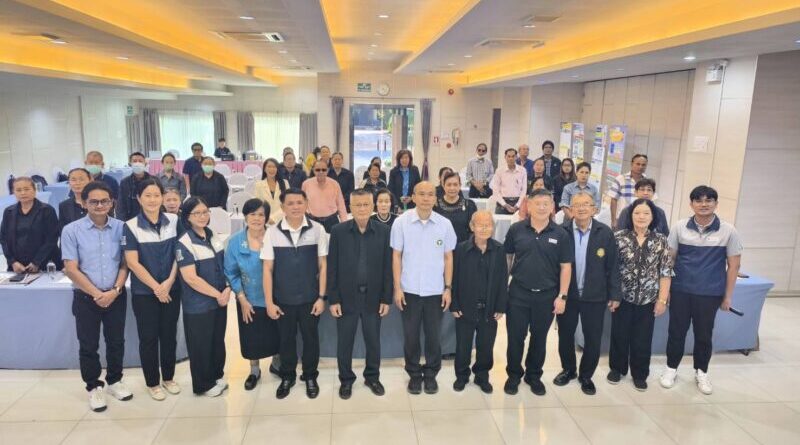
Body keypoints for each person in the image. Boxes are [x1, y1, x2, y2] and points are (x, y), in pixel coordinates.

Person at [660, 186, 742, 395]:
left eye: (708, 200)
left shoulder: (728, 231)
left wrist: (728, 296)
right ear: (691, 204)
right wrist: (666, 291)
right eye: (698, 200)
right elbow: (669, 260)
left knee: (704, 335)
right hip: (681, 291)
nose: (704, 204)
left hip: (710, 293)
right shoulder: (679, 227)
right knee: (676, 332)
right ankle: (671, 369)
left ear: (716, 203)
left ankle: (702, 372)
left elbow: (734, 266)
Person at [61, 181, 132, 412]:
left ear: (112, 203)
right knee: (88, 344)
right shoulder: (71, 230)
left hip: (116, 295)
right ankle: (93, 387)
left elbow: (125, 263)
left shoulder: (122, 228)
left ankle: (115, 380)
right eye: (94, 201)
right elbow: (71, 269)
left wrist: (115, 291)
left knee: (116, 341)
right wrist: (97, 294)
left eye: (104, 201)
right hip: (86, 298)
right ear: (84, 203)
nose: (99, 205)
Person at [503, 189, 572, 396]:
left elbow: (566, 267)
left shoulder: (560, 234)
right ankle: (513, 375)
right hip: (518, 293)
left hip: (546, 296)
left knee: (539, 338)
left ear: (552, 207)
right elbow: (507, 258)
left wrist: (562, 296)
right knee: (515, 337)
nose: (542, 207)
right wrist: (502, 288)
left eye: (546, 204)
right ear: (529, 205)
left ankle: (533, 376)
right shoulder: (516, 229)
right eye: (537, 203)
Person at [391, 181, 457, 395]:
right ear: (413, 197)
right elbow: (396, 256)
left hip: (435, 291)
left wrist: (448, 288)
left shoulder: (445, 224)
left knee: (433, 336)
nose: (426, 198)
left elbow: (448, 257)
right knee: (410, 336)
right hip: (409, 290)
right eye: (421, 194)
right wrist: (397, 288)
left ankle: (430, 374)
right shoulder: (401, 223)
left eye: (430, 194)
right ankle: (413, 374)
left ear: (435, 198)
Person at [262, 188, 328, 399]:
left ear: (306, 204)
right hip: (283, 300)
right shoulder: (272, 232)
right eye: (290, 203)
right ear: (282, 207)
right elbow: (267, 269)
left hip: (310, 299)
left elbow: (323, 266)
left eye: (300, 202)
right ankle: (287, 376)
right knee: (286, 340)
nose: (295, 207)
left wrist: (322, 297)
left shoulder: (318, 229)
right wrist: (269, 302)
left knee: (311, 339)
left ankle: (310, 375)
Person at [553, 192, 620, 395]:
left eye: (586, 204)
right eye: (577, 205)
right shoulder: (561, 231)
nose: (581, 208)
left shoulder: (605, 233)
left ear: (594, 208)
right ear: (570, 209)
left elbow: (613, 266)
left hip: (595, 296)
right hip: (568, 295)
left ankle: (586, 375)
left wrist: (615, 294)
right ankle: (568, 370)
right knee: (565, 335)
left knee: (593, 337)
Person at [328, 189, 392, 399]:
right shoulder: (338, 231)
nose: (362, 209)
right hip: (346, 298)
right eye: (357, 205)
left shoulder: (384, 231)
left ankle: (372, 377)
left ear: (372, 206)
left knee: (373, 341)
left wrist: (386, 298)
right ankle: (346, 380)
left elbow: (388, 267)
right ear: (350, 208)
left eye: (366, 205)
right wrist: (334, 299)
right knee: (345, 342)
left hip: (373, 298)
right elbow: (332, 267)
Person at [122, 179, 181, 401]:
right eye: (147, 195)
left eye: (157, 195)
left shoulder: (174, 220)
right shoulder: (130, 226)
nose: (153, 200)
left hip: (171, 288)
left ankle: (168, 377)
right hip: (145, 293)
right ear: (139, 198)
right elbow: (132, 262)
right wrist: (157, 287)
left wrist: (169, 282)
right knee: (148, 338)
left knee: (169, 336)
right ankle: (152, 382)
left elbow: (180, 253)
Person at [609, 198, 672, 391]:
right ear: (630, 215)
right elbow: (612, 270)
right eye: (637, 213)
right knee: (619, 335)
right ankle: (617, 369)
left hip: (648, 299)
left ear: (653, 217)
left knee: (642, 339)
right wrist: (613, 295)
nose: (641, 217)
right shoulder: (619, 237)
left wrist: (662, 300)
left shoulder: (661, 240)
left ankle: (640, 374)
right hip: (622, 298)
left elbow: (666, 272)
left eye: (646, 213)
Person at [176, 197, 231, 397]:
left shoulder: (212, 235)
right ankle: (203, 384)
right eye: (197, 213)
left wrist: (227, 288)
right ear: (187, 217)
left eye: (205, 212)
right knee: (201, 344)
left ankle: (216, 375)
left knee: (217, 340)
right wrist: (218, 294)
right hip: (199, 304)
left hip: (219, 301)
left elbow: (223, 265)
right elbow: (190, 278)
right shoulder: (184, 242)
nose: (202, 216)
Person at [224, 198, 280, 391]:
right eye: (252, 214)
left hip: (274, 297)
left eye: (261, 214)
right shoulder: (235, 242)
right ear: (245, 216)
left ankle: (277, 364)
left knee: (277, 333)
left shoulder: (275, 237)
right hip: (248, 298)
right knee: (251, 337)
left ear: (266, 217)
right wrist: (242, 299)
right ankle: (254, 370)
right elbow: (231, 273)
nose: (257, 218)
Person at [451, 211, 507, 393]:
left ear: (493, 227)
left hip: (489, 308)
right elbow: (454, 278)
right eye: (480, 225)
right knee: (463, 346)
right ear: (472, 227)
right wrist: (454, 303)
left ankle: (482, 376)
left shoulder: (499, 249)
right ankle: (461, 376)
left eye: (488, 225)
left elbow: (503, 279)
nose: (484, 228)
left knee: (486, 346)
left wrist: (500, 306)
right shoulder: (461, 249)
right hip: (465, 307)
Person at [1, 177, 60, 272]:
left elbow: (51, 239)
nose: (23, 193)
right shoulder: (8, 212)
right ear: (14, 192)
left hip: (44, 264)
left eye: (26, 189)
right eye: (18, 190)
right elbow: (3, 239)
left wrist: (36, 262)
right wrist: (12, 261)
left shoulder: (47, 210)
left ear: (34, 190)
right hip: (17, 266)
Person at [302, 160, 348, 233]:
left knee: (333, 240)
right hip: (312, 221)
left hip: (331, 221)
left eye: (324, 170)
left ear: (328, 170)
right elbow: (302, 203)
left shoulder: (334, 184)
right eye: (318, 170)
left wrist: (344, 223)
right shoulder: (306, 184)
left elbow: (341, 204)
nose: (321, 172)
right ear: (313, 170)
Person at [434, 171, 477, 243]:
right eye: (449, 185)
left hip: (464, 246)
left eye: (455, 184)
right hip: (441, 245)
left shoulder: (469, 205)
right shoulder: (435, 205)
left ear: (460, 186)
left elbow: (474, 229)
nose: (452, 188)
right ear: (443, 186)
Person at [609, 154, 649, 228]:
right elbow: (613, 200)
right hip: (622, 220)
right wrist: (613, 220)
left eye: (643, 165)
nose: (640, 167)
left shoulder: (647, 181)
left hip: (640, 221)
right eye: (638, 164)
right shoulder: (620, 179)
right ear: (632, 164)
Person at [490, 148, 527, 215]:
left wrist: (517, 205)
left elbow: (524, 190)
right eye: (509, 156)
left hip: (518, 202)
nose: (511, 158)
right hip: (502, 203)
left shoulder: (522, 170)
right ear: (505, 157)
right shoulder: (499, 170)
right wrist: (505, 205)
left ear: (516, 157)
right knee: (499, 221)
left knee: (520, 221)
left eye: (513, 156)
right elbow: (495, 190)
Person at [117, 152, 152, 221]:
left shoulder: (153, 181)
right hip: (130, 219)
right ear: (130, 164)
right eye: (135, 161)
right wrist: (122, 223)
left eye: (140, 161)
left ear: (145, 164)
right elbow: (121, 205)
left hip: (150, 218)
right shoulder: (124, 182)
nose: (137, 163)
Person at [254, 158, 290, 225]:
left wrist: (274, 218)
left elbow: (288, 203)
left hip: (282, 219)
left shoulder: (285, 183)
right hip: (265, 221)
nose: (272, 169)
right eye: (269, 166)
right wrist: (266, 218)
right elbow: (256, 205)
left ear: (277, 169)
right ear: (264, 169)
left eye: (274, 167)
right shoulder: (258, 185)